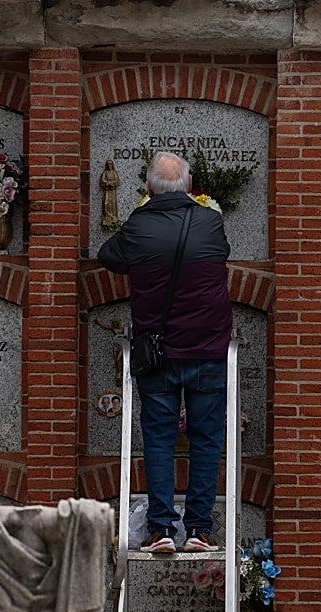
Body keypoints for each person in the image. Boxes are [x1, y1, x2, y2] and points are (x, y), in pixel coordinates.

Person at [97, 151, 232, 553]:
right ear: (189, 187)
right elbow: (219, 255)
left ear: (150, 188)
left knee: (158, 439)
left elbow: (109, 256)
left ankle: (160, 530)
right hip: (207, 349)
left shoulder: (139, 225)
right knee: (206, 440)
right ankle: (198, 531)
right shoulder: (209, 220)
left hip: (156, 352)